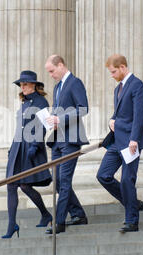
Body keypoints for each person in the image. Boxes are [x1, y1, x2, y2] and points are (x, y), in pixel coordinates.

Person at [97, 54, 143, 233]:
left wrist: (134, 140)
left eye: (114, 71)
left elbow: (139, 115)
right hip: (116, 141)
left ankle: (132, 220)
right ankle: (133, 203)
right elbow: (118, 112)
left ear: (123, 67)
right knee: (103, 175)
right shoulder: (118, 89)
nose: (112, 75)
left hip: (131, 141)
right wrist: (111, 120)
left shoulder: (137, 85)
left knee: (126, 180)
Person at [2, 71, 53, 239]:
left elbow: (44, 126)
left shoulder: (41, 102)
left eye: (25, 84)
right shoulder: (24, 103)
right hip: (18, 147)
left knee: (24, 185)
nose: (22, 87)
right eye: (21, 85)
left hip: (31, 146)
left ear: (33, 85)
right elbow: (20, 128)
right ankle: (11, 224)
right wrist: (12, 147)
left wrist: (36, 144)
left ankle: (45, 214)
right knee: (11, 185)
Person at [44, 55, 90, 234]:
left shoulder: (75, 82)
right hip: (57, 141)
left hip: (71, 140)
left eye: (52, 71)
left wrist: (60, 119)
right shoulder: (57, 87)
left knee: (64, 181)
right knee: (57, 182)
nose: (51, 75)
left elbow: (83, 108)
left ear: (61, 65)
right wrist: (51, 120)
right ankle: (78, 214)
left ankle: (59, 221)